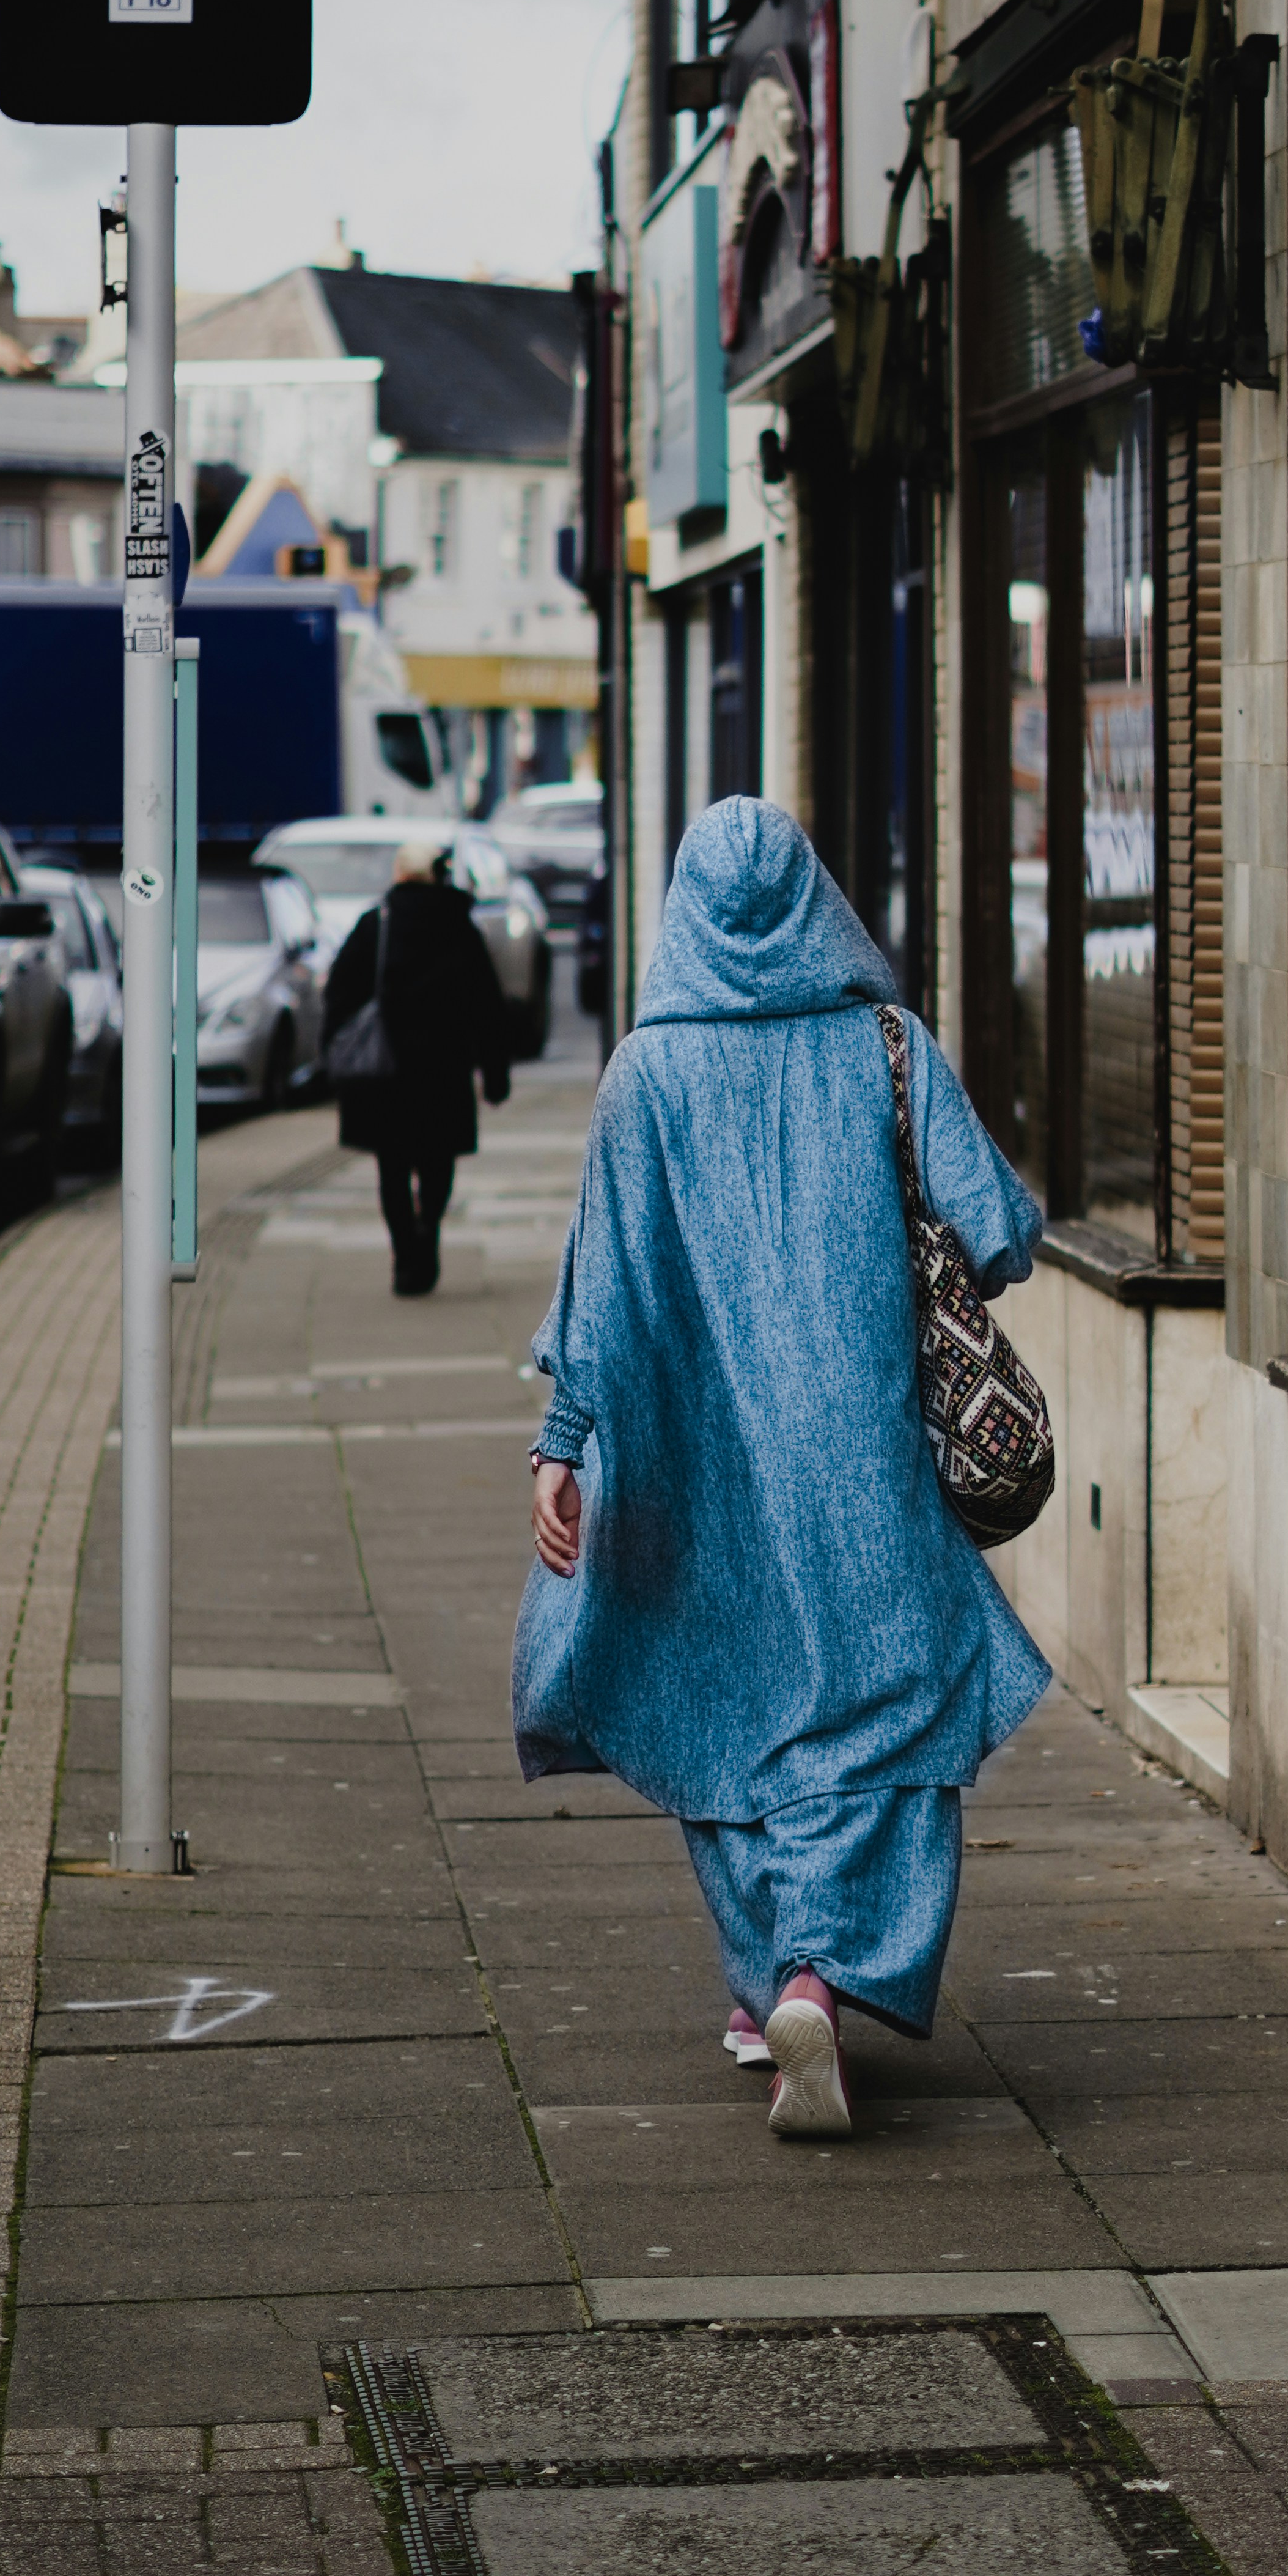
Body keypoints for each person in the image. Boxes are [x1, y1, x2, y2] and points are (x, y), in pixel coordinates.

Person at [515, 796, 1050, 2139]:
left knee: (719, 1719)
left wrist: (562, 1448)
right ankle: (818, 1967)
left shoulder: (644, 1075)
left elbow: (602, 1293)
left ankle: (774, 1979)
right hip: (862, 1478)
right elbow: (994, 1230)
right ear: (816, 899)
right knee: (895, 1717)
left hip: (698, 1483)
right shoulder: (885, 1045)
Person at [322, 834, 511, 1297]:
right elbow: (486, 1004)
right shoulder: (460, 927)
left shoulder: (375, 925)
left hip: (385, 1074)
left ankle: (406, 1255)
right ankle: (429, 1228)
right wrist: (495, 1071)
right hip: (444, 1070)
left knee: (392, 1168)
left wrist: (334, 1057)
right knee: (437, 1161)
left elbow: (339, 995)